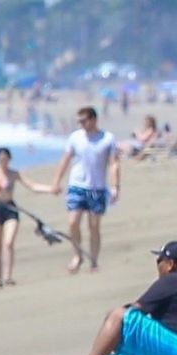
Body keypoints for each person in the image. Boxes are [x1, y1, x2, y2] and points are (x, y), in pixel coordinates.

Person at [10, 241, 177, 355]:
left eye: (159, 261)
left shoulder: (173, 280)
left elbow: (133, 311)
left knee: (118, 316)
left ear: (171, 264)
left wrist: (113, 339)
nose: (157, 266)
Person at [48, 105, 122, 273]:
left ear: (93, 119)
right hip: (77, 186)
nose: (81, 124)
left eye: (84, 121)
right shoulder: (75, 137)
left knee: (94, 226)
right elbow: (65, 159)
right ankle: (77, 255)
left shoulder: (107, 138)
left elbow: (114, 164)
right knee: (73, 222)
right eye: (79, 121)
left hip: (97, 188)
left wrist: (115, 187)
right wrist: (56, 181)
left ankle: (94, 260)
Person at [0, 147, 52, 288]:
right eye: (1, 158)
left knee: (8, 242)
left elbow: (33, 186)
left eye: (5, 158)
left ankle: (8, 277)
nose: (3, 161)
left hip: (10, 208)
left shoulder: (14, 174)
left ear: (9, 159)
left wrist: (50, 189)